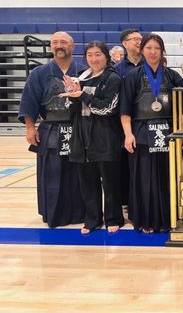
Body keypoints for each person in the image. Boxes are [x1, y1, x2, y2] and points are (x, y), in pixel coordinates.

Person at [120, 33, 183, 233]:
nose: (152, 52)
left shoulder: (173, 76)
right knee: (143, 178)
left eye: (156, 48)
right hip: (141, 133)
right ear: (142, 50)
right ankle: (144, 220)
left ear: (162, 51)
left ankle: (168, 218)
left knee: (167, 176)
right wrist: (128, 134)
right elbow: (125, 109)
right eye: (148, 48)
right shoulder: (132, 76)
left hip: (167, 132)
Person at [18, 31, 85, 228]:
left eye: (63, 42)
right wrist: (30, 127)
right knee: (52, 173)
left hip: (77, 128)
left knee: (79, 173)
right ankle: (54, 213)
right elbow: (29, 101)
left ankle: (80, 213)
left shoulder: (83, 71)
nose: (58, 45)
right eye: (54, 42)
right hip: (51, 129)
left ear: (72, 47)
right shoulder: (39, 73)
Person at [60, 41, 124, 234]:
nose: (94, 59)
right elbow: (72, 111)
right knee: (88, 183)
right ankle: (92, 219)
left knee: (110, 182)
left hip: (106, 137)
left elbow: (107, 108)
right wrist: (71, 96)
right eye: (90, 55)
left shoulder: (112, 79)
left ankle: (114, 218)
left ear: (106, 56)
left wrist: (83, 96)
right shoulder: (82, 78)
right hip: (82, 137)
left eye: (98, 54)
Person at [114, 28, 143, 208]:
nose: (139, 42)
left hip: (145, 122)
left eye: (141, 39)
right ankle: (126, 201)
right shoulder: (117, 70)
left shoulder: (151, 65)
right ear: (125, 44)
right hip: (123, 123)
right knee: (124, 164)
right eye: (135, 39)